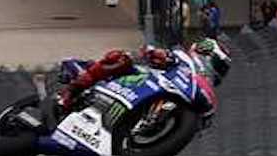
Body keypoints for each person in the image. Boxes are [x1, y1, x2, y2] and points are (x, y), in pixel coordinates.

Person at [56, 37, 231, 115]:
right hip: (136, 78)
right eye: (219, 65)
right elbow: (151, 52)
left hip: (148, 96)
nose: (218, 71)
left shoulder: (198, 90)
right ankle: (71, 91)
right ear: (205, 52)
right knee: (120, 58)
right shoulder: (181, 57)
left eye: (222, 69)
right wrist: (155, 53)